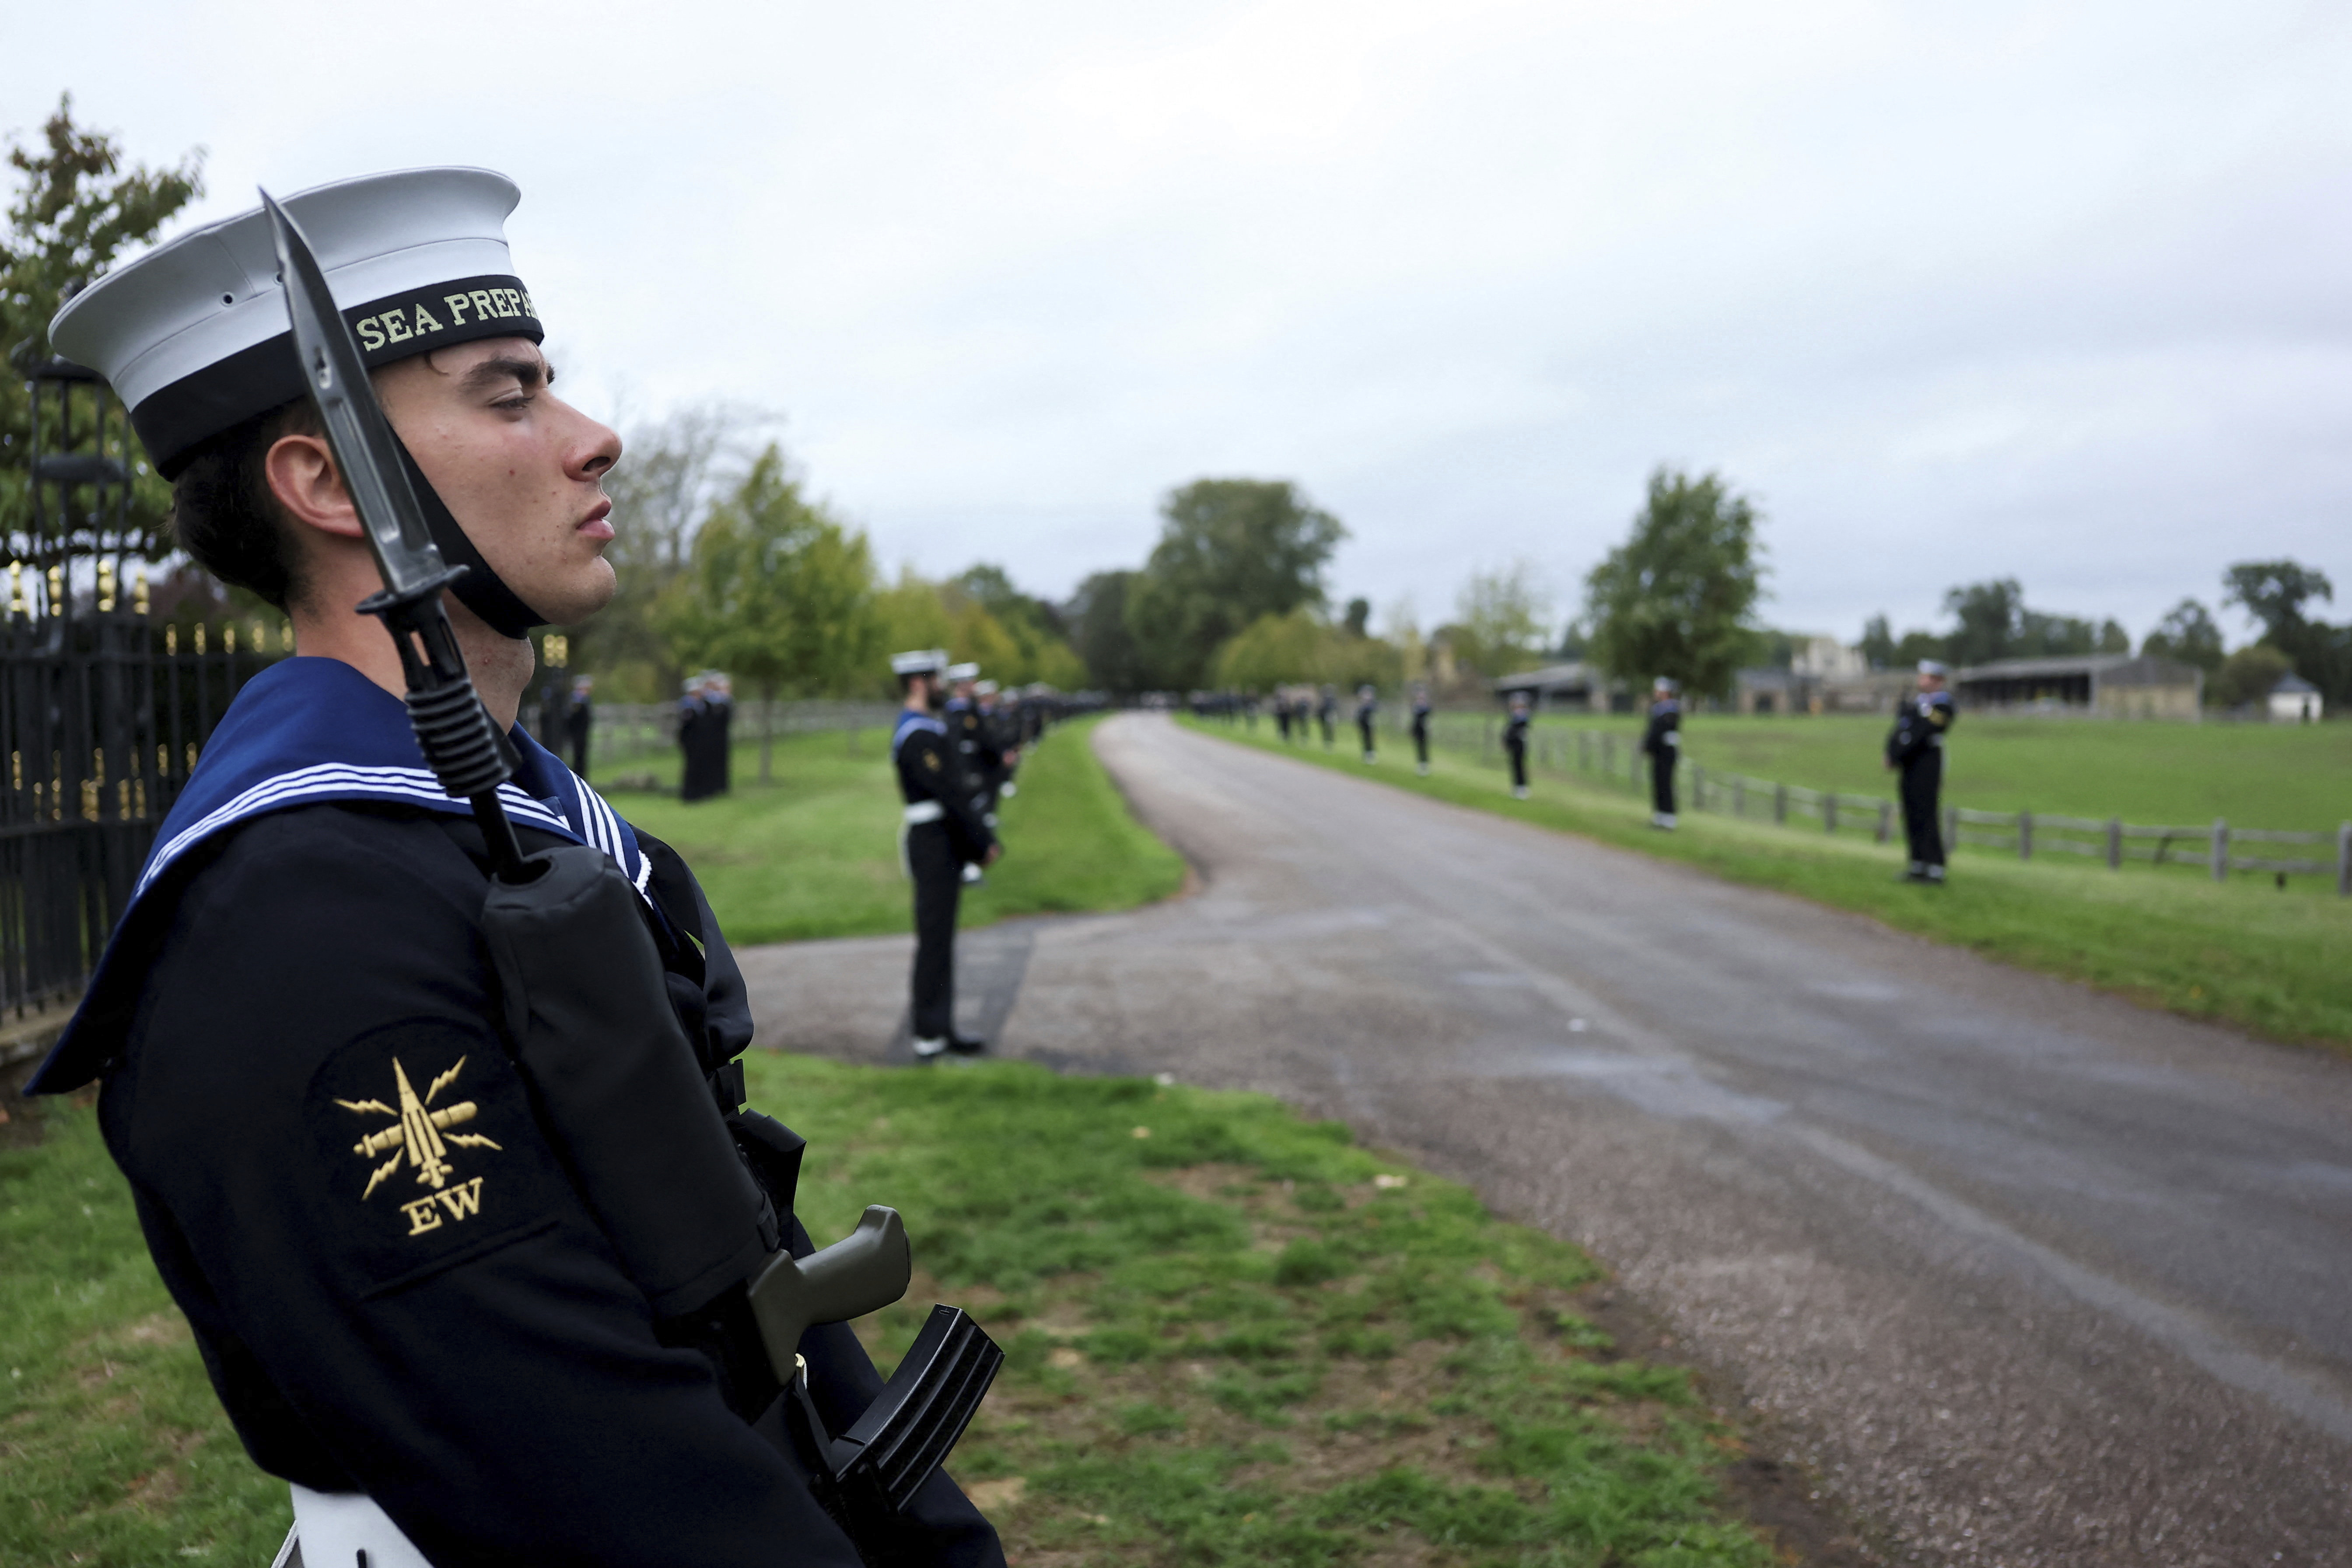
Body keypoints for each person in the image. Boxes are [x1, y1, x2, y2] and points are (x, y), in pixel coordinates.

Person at [25, 169, 1001, 1567]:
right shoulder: (296, 925)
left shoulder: (500, 823)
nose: (593, 439)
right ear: (322, 482)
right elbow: (588, 1474)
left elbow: (737, 1276)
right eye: (509, 395)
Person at [891, 650, 998, 1059]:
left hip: (941, 841)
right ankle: (929, 1034)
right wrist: (981, 843)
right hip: (934, 843)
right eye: (935, 679)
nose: (942, 685)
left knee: (941, 940)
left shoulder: (923, 727)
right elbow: (949, 795)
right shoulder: (918, 734)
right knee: (934, 941)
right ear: (918, 683)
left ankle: (940, 1027)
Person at [1886, 659, 1957, 883]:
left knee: (1926, 813)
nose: (1921, 680)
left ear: (1937, 680)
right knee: (1911, 811)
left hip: (1926, 761)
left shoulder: (1942, 705)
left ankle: (1934, 866)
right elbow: (1900, 729)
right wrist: (1892, 753)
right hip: (1909, 763)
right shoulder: (1916, 703)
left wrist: (1900, 751)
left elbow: (1924, 731)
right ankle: (1917, 863)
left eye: (1925, 677)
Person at [1641, 677, 1681, 830]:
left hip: (1666, 752)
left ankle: (1669, 818)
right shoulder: (1659, 709)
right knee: (1658, 783)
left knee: (1666, 784)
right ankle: (1660, 816)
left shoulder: (1671, 710)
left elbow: (1661, 731)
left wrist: (1650, 743)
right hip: (1658, 751)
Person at [565, 673, 595, 779]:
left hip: (582, 734)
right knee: (578, 758)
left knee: (581, 758)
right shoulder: (577, 701)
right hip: (577, 734)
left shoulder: (584, 700)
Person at [1503, 693, 1530, 799]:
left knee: (1520, 766)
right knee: (1515, 766)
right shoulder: (1514, 717)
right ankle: (1517, 787)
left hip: (1519, 745)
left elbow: (1517, 732)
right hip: (1513, 745)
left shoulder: (1523, 718)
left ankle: (1522, 788)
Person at [1410, 682, 1432, 776]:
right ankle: (1420, 763)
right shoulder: (1416, 706)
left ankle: (1425, 764)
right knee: (1419, 747)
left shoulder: (1426, 706)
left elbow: (1427, 714)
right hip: (1417, 730)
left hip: (1424, 730)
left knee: (1424, 747)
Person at [1355, 683, 1379, 763]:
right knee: (1364, 739)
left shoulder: (1372, 705)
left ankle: (1371, 754)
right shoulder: (1363, 705)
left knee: (1370, 739)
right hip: (1363, 725)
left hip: (1370, 725)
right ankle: (1366, 753)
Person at [1317, 684, 1337, 749]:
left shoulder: (1331, 699)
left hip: (1329, 715)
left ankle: (1330, 741)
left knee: (1330, 729)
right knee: (1326, 729)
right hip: (1325, 715)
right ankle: (1327, 740)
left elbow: (1334, 707)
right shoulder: (1324, 699)